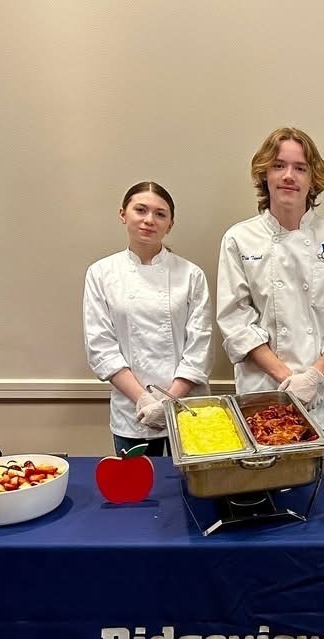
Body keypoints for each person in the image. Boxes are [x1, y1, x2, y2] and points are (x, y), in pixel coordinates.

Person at [216, 127, 324, 456]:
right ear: (264, 174)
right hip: (263, 395)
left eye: (300, 168)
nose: (289, 176)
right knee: (265, 499)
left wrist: (313, 377)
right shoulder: (238, 239)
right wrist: (287, 378)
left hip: (323, 398)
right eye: (279, 166)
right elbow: (236, 320)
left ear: (314, 178)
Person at [83, 181, 213, 456]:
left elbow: (199, 346)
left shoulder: (191, 275)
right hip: (133, 410)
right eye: (140, 210)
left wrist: (168, 402)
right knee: (140, 492)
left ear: (170, 224)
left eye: (160, 214)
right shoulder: (101, 273)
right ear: (123, 214)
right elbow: (101, 347)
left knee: (192, 491)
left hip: (187, 405)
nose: (149, 220)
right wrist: (143, 399)